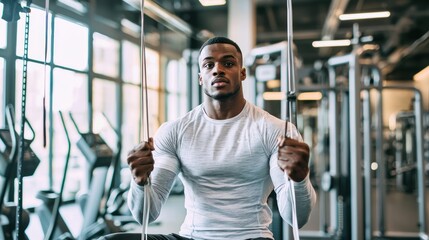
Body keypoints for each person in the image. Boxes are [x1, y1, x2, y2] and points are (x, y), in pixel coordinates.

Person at [103, 36, 316, 240]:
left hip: (252, 237)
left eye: (228, 63)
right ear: (200, 78)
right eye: (208, 65)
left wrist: (299, 179)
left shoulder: (275, 130)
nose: (218, 70)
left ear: (242, 73)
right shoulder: (175, 131)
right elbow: (146, 215)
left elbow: (296, 218)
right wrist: (140, 182)